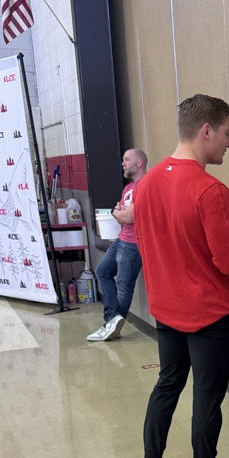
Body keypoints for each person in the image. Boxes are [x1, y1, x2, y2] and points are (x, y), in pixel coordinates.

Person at [132, 95, 229, 458]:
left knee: (167, 384)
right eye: (226, 133)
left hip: (166, 308)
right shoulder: (210, 189)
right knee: (207, 395)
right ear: (206, 130)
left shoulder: (147, 184)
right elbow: (226, 262)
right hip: (209, 313)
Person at [87, 147, 147, 342]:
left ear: (139, 163)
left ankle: (110, 326)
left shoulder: (145, 185)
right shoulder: (128, 188)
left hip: (135, 244)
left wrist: (120, 215)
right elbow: (119, 213)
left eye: (127, 159)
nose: (123, 163)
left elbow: (127, 216)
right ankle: (112, 320)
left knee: (124, 285)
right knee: (103, 271)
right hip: (122, 239)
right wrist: (120, 215)